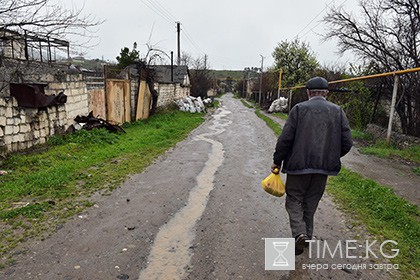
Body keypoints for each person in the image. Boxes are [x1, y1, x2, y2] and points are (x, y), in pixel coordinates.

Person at [271, 76, 353, 255]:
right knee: (310, 203)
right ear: (326, 93)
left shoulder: (299, 109)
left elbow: (285, 139)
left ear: (308, 92)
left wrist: (277, 161)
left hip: (297, 168)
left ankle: (300, 234)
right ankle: (304, 239)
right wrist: (329, 156)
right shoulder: (338, 111)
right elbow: (347, 142)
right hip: (323, 169)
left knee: (294, 199)